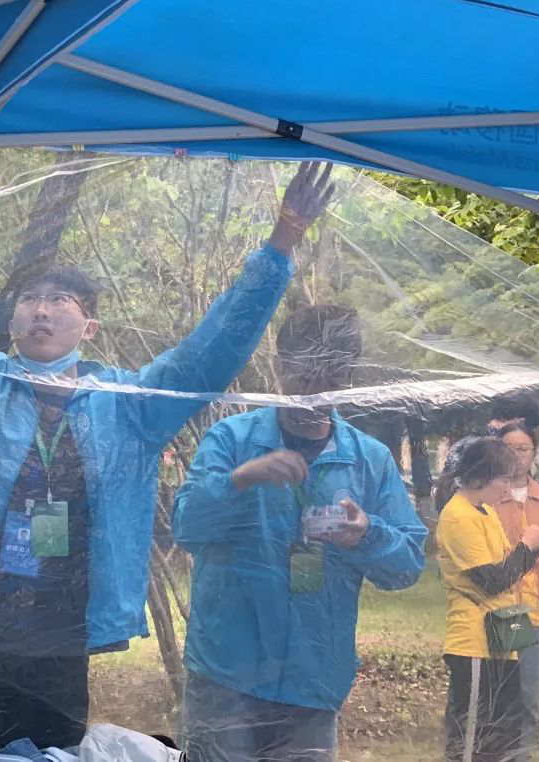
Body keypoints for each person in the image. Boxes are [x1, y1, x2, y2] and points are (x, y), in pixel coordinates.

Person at [0, 163, 337, 751]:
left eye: (60, 299)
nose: (41, 310)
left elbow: (210, 352)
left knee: (56, 754)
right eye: (28, 299)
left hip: (63, 635)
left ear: (89, 326)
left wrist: (282, 242)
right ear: (12, 319)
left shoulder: (129, 405)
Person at [172, 304, 428, 762]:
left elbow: (406, 566)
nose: (315, 395)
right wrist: (240, 479)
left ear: (349, 377)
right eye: (305, 378)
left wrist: (367, 534)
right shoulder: (232, 441)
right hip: (226, 672)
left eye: (332, 381)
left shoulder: (368, 460)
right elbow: (186, 529)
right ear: (278, 364)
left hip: (313, 677)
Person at [436, 437, 539, 762]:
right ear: (481, 476)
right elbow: (492, 581)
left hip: (504, 633)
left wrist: (533, 548)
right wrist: (527, 546)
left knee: (504, 733)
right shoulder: (458, 516)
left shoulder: (486, 511)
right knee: (473, 734)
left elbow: (510, 570)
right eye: (503, 479)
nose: (507, 488)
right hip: (475, 641)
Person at [491, 423, 539, 757]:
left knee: (529, 693)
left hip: (537, 609)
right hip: (503, 606)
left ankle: (518, 755)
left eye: (523, 449)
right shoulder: (489, 496)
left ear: (534, 453)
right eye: (509, 449)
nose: (517, 456)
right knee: (502, 691)